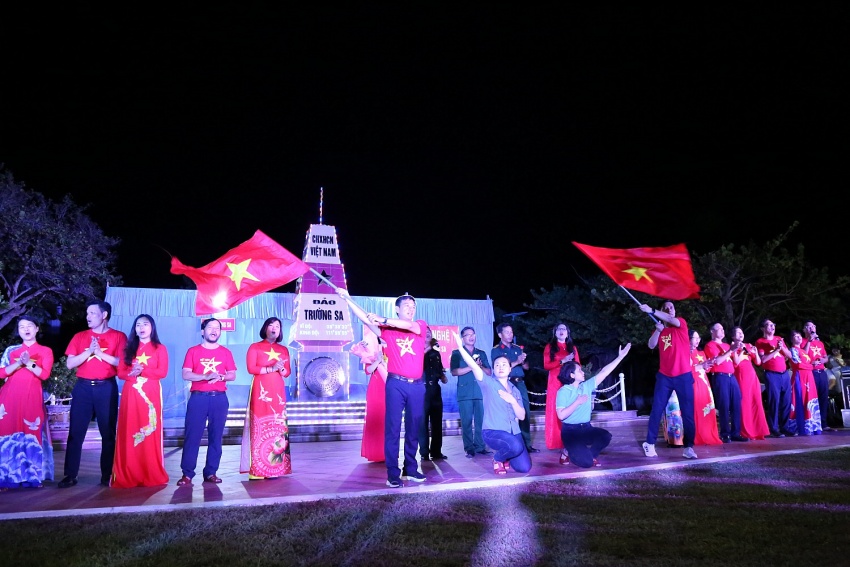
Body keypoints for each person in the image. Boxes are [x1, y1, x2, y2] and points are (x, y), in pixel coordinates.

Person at [336, 289, 427, 488]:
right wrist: (347, 298)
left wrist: (382, 319)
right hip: (395, 384)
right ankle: (393, 473)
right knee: (393, 428)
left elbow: (408, 325)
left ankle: (411, 468)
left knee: (414, 428)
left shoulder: (419, 325)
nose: (411, 309)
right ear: (397, 309)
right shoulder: (386, 331)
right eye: (406, 306)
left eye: (413, 306)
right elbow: (365, 318)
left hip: (417, 385)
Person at [59, 300, 127, 488]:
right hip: (83, 388)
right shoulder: (80, 336)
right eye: (87, 313)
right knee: (75, 433)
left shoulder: (118, 336)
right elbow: (70, 364)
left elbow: (121, 362)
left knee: (108, 433)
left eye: (92, 313)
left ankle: (107, 475)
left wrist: (99, 353)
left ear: (104, 315)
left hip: (106, 387)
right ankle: (70, 475)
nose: (88, 317)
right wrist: (89, 351)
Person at [452, 331, 531, 475]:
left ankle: (507, 456)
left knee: (524, 467)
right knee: (515, 445)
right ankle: (498, 458)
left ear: (510, 368)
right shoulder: (488, 383)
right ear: (493, 369)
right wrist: (460, 347)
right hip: (493, 432)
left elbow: (521, 416)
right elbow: (474, 366)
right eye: (497, 365)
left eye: (504, 364)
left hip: (513, 433)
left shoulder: (515, 390)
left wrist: (513, 401)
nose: (500, 367)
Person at [176, 318, 237, 486]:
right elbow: (186, 374)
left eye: (217, 328)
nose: (214, 330)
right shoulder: (193, 351)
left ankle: (211, 472)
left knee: (216, 436)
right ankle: (187, 474)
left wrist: (221, 377)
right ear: (203, 331)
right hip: (198, 398)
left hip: (219, 399)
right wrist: (205, 376)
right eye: (210, 327)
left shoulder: (225, 352)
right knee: (192, 436)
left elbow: (232, 374)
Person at [112, 314, 169, 488]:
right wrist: (132, 373)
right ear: (134, 329)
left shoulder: (160, 348)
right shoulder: (127, 349)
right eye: (138, 325)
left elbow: (162, 372)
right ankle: (129, 471)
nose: (141, 328)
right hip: (131, 392)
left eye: (145, 324)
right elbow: (120, 373)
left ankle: (150, 471)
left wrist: (142, 371)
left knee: (149, 428)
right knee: (130, 428)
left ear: (152, 328)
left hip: (150, 394)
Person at [0, 314, 54, 489]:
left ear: (37, 328)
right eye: (22, 327)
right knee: (8, 434)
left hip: (31, 397)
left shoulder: (45, 351)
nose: (26, 329)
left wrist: (29, 363)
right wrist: (18, 363)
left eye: (29, 325)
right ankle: (7, 476)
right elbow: (2, 373)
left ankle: (32, 476)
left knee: (31, 433)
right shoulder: (11, 351)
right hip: (9, 398)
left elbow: (44, 375)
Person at [556, 343, 632, 468]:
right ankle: (568, 451)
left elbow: (604, 372)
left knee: (605, 436)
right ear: (572, 375)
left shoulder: (586, 386)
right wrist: (577, 402)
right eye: (579, 370)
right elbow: (561, 415)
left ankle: (590, 456)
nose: (583, 372)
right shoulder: (563, 391)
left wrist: (620, 357)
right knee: (586, 464)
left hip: (586, 428)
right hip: (571, 432)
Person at [638, 301, 698, 459]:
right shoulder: (660, 329)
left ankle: (688, 447)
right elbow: (651, 345)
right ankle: (649, 443)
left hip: (683, 375)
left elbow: (671, 320)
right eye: (666, 307)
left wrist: (651, 310)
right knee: (657, 410)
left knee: (688, 413)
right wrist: (658, 331)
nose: (669, 309)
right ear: (662, 310)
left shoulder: (681, 324)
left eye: (672, 307)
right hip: (664, 377)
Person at [240, 317, 292, 480]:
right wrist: (271, 368)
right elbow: (251, 368)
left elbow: (287, 372)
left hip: (278, 392)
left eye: (277, 326)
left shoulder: (283, 349)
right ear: (265, 328)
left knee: (278, 426)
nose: (274, 328)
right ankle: (258, 468)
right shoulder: (255, 347)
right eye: (271, 325)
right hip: (261, 390)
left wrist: (280, 368)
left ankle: (276, 467)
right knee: (261, 425)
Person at [492, 323, 539, 453]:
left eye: (511, 332)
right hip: (506, 383)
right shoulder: (496, 350)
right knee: (507, 413)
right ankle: (508, 444)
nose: (510, 335)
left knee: (524, 412)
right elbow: (497, 367)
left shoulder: (518, 348)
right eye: (507, 332)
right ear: (500, 335)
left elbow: (526, 367)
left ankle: (526, 444)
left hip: (520, 383)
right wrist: (517, 361)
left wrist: (523, 360)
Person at [451, 326, 492, 459]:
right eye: (468, 335)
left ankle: (480, 446)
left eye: (473, 334)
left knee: (481, 421)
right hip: (465, 392)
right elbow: (454, 372)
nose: (471, 337)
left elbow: (489, 372)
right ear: (462, 338)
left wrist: (480, 366)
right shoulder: (457, 353)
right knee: (467, 422)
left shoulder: (481, 353)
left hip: (480, 392)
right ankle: (469, 448)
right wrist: (471, 366)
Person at [703, 322, 748, 443]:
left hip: (731, 376)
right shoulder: (710, 345)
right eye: (719, 329)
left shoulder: (727, 345)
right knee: (724, 405)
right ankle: (725, 433)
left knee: (736, 403)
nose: (723, 331)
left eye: (723, 329)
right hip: (720, 376)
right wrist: (730, 350)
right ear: (712, 331)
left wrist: (738, 350)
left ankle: (736, 433)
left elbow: (736, 361)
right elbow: (717, 361)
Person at [350, 327, 387, 462]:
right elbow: (368, 370)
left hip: (390, 386)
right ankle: (376, 453)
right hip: (376, 388)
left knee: (387, 420)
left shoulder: (390, 349)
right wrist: (377, 361)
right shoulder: (372, 350)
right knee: (376, 418)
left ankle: (387, 452)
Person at [542, 323, 580, 452]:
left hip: (569, 381)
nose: (561, 331)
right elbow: (546, 365)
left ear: (568, 333)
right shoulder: (550, 347)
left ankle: (572, 440)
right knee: (556, 409)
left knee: (571, 407)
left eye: (564, 329)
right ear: (555, 332)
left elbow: (578, 365)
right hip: (555, 382)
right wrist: (562, 361)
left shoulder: (572, 348)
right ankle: (556, 441)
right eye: (559, 329)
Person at [730, 326, 770, 440]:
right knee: (745, 403)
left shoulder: (747, 345)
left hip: (752, 377)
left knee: (756, 402)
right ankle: (746, 431)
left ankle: (758, 430)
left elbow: (758, 362)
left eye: (741, 332)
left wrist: (756, 352)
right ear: (733, 336)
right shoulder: (732, 346)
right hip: (741, 377)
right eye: (738, 333)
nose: (741, 334)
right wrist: (742, 351)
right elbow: (736, 362)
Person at [755, 318, 793, 438]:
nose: (772, 327)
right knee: (774, 401)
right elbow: (763, 359)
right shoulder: (760, 342)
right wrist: (776, 350)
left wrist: (782, 348)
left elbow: (790, 355)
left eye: (773, 324)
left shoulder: (779, 339)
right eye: (769, 325)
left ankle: (785, 427)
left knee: (786, 401)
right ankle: (774, 428)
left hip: (784, 374)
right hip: (772, 374)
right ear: (763, 328)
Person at [689, 329, 722, 446]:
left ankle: (708, 434)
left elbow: (706, 369)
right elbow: (687, 370)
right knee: (697, 409)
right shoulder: (685, 353)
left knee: (708, 408)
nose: (698, 340)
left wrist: (708, 364)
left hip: (704, 382)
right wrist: (701, 366)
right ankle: (697, 436)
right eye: (695, 338)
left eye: (699, 338)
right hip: (694, 383)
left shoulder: (701, 353)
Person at [420, 328, 448, 461]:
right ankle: (424, 452)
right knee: (422, 422)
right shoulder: (416, 351)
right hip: (422, 389)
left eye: (429, 333)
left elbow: (439, 369)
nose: (427, 334)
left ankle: (436, 451)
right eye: (425, 332)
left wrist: (442, 376)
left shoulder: (436, 353)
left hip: (435, 390)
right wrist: (426, 349)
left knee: (437, 422)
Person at [787, 330, 823, 436]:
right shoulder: (793, 350)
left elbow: (806, 361)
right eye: (796, 336)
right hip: (800, 377)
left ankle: (812, 426)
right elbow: (797, 364)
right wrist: (812, 366)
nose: (799, 338)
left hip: (808, 377)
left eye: (799, 336)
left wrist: (812, 363)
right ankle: (800, 427)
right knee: (800, 399)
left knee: (810, 399)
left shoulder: (802, 351)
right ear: (791, 339)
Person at [802, 320, 833, 432]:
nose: (812, 328)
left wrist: (822, 360)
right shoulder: (803, 342)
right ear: (804, 329)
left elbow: (825, 357)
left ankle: (823, 423)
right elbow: (803, 355)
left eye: (813, 326)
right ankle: (812, 423)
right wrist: (810, 340)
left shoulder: (820, 343)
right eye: (809, 327)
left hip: (822, 372)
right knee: (812, 398)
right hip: (811, 373)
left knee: (823, 397)